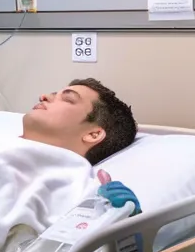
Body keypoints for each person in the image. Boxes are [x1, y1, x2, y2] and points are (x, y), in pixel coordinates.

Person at [18, 77, 142, 211]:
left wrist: (119, 219)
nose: (43, 96)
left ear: (93, 135)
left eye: (68, 99)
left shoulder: (71, 192)